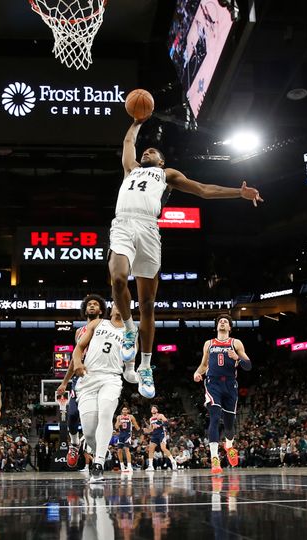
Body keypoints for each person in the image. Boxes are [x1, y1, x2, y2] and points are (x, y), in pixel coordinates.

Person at [110, 119, 263, 399]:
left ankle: (145, 366)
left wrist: (238, 193)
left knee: (147, 304)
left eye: (152, 152)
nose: (147, 153)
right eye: (146, 152)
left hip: (148, 229)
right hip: (123, 224)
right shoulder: (130, 169)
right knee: (118, 277)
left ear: (161, 161)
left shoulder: (166, 174)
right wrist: (134, 123)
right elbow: (128, 144)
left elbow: (204, 189)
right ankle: (129, 331)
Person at [71, 303, 127, 483]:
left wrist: (134, 374)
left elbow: (131, 362)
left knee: (105, 414)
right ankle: (99, 453)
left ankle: (99, 464)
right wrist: (78, 363)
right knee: (88, 432)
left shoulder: (131, 331)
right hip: (89, 377)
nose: (119, 307)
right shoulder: (97, 324)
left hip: (111, 378)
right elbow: (79, 348)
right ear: (110, 309)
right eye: (116, 304)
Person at [57, 294, 110, 471]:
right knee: (72, 415)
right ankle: (74, 445)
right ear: (85, 310)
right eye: (89, 304)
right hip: (81, 378)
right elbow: (75, 358)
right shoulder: (79, 332)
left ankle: (98, 456)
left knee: (96, 421)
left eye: (96, 304)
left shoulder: (107, 327)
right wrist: (64, 382)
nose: (92, 306)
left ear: (101, 310)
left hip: (100, 377)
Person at [193, 314, 252, 474]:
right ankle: (214, 458)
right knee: (214, 416)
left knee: (229, 424)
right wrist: (197, 373)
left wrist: (238, 358)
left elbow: (248, 366)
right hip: (213, 383)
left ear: (230, 327)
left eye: (225, 322)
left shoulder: (236, 343)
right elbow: (204, 365)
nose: (222, 323)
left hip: (230, 384)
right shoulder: (209, 343)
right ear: (217, 326)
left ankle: (229, 445)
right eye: (220, 321)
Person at [144, 405, 177, 471]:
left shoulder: (160, 415)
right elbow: (151, 429)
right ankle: (151, 466)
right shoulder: (150, 419)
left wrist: (159, 425)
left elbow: (166, 422)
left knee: (163, 448)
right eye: (152, 408)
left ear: (157, 410)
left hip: (161, 433)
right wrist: (147, 430)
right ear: (151, 411)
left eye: (155, 408)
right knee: (151, 449)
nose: (153, 409)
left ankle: (173, 461)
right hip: (154, 435)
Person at [114, 406, 140, 472]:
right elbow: (116, 427)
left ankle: (129, 466)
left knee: (126, 449)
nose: (125, 411)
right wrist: (119, 424)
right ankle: (122, 466)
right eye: (123, 410)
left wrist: (141, 431)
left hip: (127, 434)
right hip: (121, 434)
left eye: (126, 410)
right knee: (119, 450)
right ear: (122, 411)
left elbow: (136, 426)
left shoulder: (131, 417)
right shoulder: (119, 417)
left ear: (128, 411)